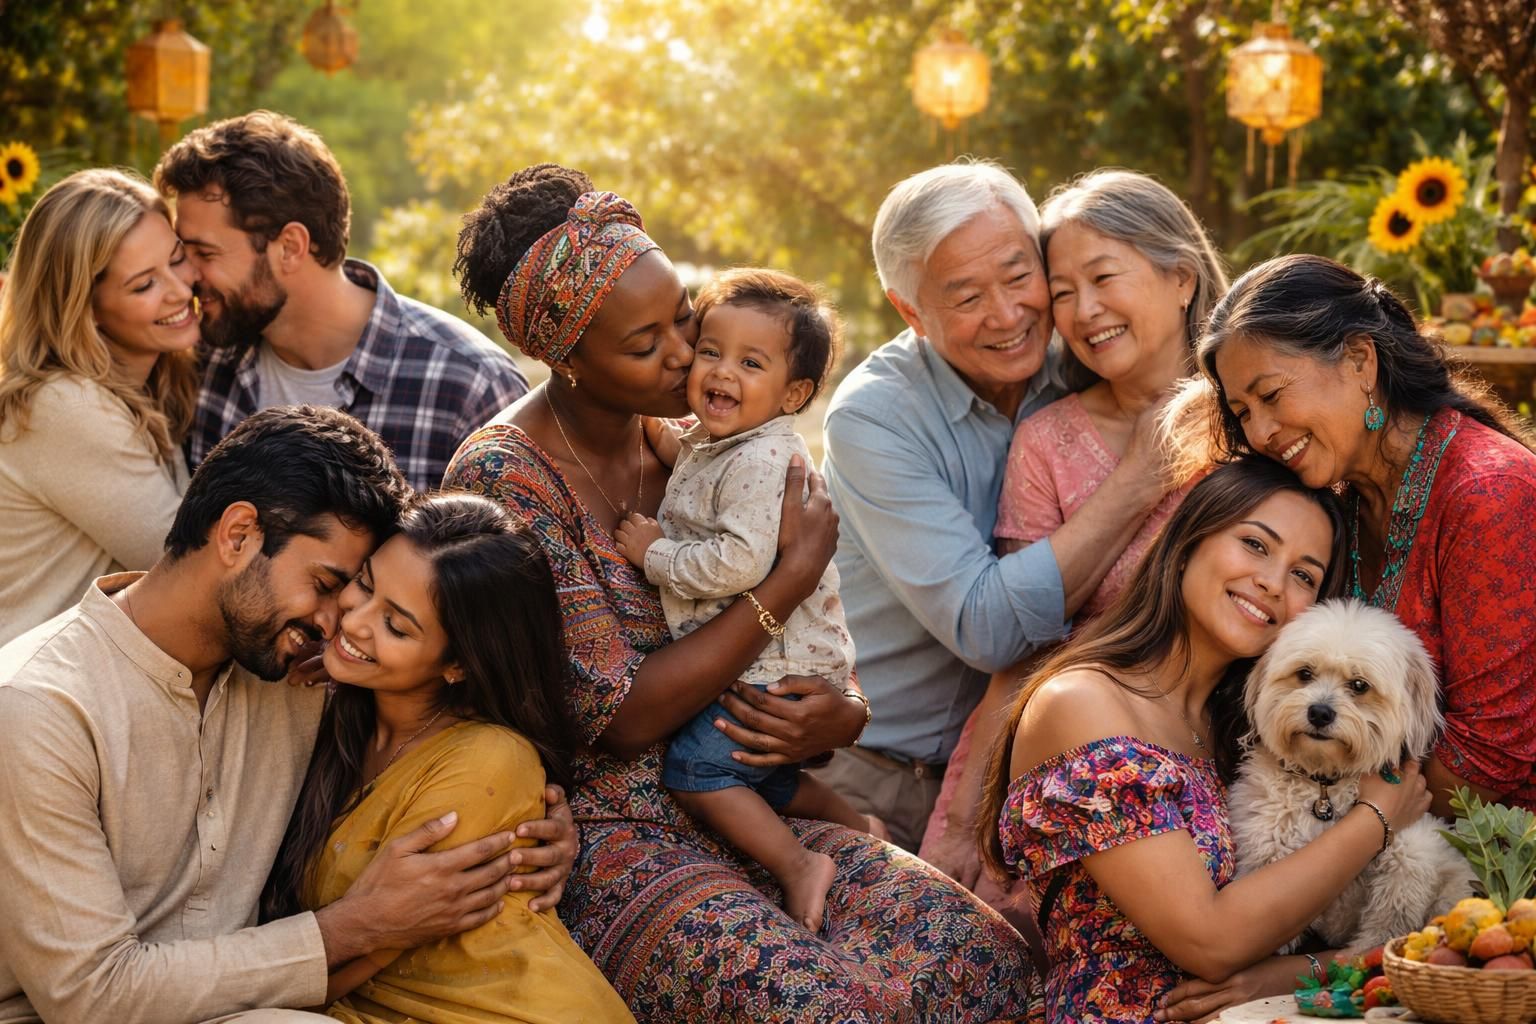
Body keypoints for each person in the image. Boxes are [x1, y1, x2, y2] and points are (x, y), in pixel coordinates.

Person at [445, 164, 1038, 1022]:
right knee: (822, 1005)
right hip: (615, 837)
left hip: (756, 794)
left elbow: (818, 615)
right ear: (563, 359)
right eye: (646, 345)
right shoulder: (507, 481)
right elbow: (622, 717)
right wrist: (782, 581)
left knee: (980, 960)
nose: (688, 354)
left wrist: (843, 711)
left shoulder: (708, 437)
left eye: (683, 316)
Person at [0, 406, 578, 1024]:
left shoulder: (295, 674)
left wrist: (528, 825)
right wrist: (353, 928)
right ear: (239, 534)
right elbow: (91, 997)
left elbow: (437, 717)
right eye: (328, 584)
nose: (339, 622)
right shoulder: (40, 708)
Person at [976, 456, 1431, 1024]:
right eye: (1256, 545)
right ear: (1189, 540)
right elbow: (1209, 943)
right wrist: (1376, 819)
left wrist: (1286, 974)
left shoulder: (1244, 732)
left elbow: (1272, 952)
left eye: (1304, 576)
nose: (1271, 582)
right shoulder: (1083, 704)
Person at [817, 160, 1176, 850]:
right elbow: (989, 630)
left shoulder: (1084, 360)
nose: (1008, 316)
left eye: (1019, 277)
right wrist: (1140, 477)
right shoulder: (875, 419)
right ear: (910, 311)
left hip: (1029, 766)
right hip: (874, 778)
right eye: (966, 296)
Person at [920, 169, 1228, 897]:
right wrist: (966, 824)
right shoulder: (1048, 440)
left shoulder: (1251, 419)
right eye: (1062, 292)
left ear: (1181, 277)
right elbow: (1022, 650)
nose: (1085, 311)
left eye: (1103, 277)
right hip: (1054, 763)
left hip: (1220, 766)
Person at [263, 492, 633, 1023]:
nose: (356, 621)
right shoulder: (336, 713)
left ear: (458, 662)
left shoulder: (487, 762)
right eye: (365, 583)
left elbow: (359, 954)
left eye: (397, 625)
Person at [1198, 253, 1536, 815]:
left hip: (1487, 860)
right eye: (1243, 411)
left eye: (1272, 395)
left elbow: (1490, 754)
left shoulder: (1491, 494)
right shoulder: (1336, 496)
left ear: (1359, 359)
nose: (1259, 432)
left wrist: (1342, 832)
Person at [612, 268, 869, 934]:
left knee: (698, 769)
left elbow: (738, 562)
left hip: (771, 664)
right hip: (772, 660)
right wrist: (645, 420)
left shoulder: (763, 461)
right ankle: (859, 825)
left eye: (750, 363)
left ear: (794, 393)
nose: (722, 372)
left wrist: (653, 554)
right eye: (711, 352)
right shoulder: (723, 440)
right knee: (757, 769)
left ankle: (798, 865)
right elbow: (689, 455)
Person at [154, 110, 527, 491]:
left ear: (290, 247)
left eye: (205, 252)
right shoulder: (197, 364)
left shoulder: (470, 386)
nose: (186, 274)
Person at [0, 168, 198, 644]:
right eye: (144, 284)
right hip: (33, 702)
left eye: (178, 258)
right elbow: (187, 567)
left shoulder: (147, 380)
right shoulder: (63, 406)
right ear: (83, 307)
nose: (179, 290)